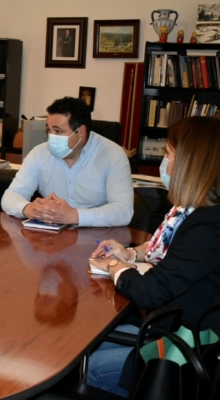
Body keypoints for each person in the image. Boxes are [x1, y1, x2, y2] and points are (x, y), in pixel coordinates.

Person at [87, 116, 220, 396]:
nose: (165, 163)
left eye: (169, 155)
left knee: (90, 363)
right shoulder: (197, 212)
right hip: (173, 326)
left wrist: (113, 265)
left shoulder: (208, 225)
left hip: (187, 347)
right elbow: (171, 256)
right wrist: (129, 255)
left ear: (189, 163)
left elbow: (152, 292)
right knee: (91, 340)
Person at [1, 97, 133, 227]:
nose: (51, 137)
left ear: (81, 131)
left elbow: (123, 211)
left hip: (98, 239)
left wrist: (75, 216)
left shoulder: (112, 155)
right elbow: (11, 196)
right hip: (50, 239)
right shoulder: (39, 153)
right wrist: (29, 209)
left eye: (58, 131)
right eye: (49, 130)